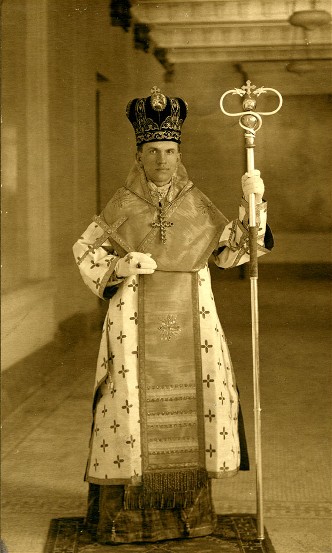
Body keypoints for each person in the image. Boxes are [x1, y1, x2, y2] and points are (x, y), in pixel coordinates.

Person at [73, 86, 273, 545]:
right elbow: (85, 250)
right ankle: (127, 521)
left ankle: (191, 519)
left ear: (178, 153)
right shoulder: (122, 204)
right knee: (126, 405)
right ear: (139, 155)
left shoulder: (197, 203)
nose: (162, 160)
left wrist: (254, 205)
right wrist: (120, 265)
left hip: (194, 321)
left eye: (169, 150)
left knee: (197, 405)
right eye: (153, 152)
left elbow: (234, 253)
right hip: (132, 327)